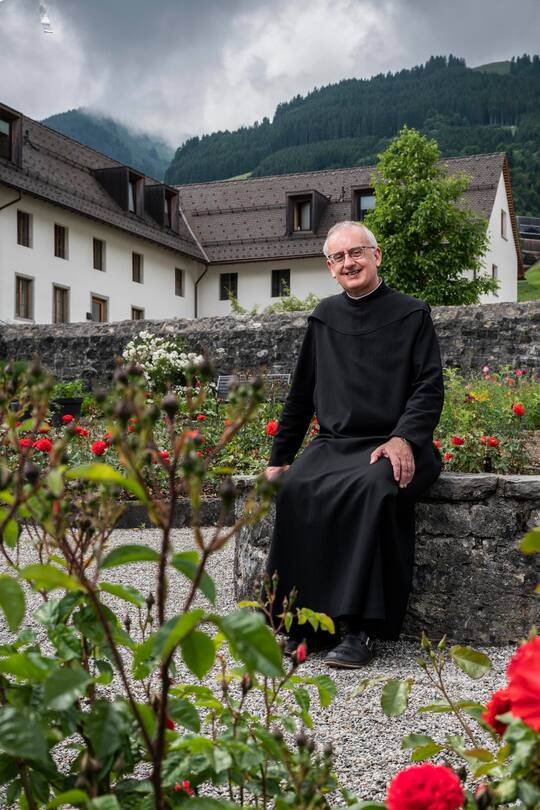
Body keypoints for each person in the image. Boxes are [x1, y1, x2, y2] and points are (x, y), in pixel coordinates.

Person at [264, 220, 444, 668]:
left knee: (371, 489)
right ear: (330, 268)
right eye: (339, 258)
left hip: (398, 443)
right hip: (336, 443)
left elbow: (429, 387)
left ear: (376, 255)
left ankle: (359, 630)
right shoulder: (323, 318)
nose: (350, 263)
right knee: (294, 487)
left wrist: (404, 437)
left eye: (357, 253)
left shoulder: (412, 313)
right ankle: (301, 623)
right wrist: (279, 457)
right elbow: (301, 394)